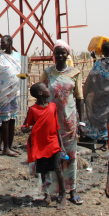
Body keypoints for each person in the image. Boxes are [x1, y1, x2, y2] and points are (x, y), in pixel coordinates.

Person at [39, 40, 84, 204]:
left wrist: (82, 122)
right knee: (50, 155)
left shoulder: (75, 73)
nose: (59, 55)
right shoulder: (47, 73)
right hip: (50, 121)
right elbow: (40, 96)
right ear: (54, 55)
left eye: (62, 52)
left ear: (67, 54)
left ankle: (72, 190)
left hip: (69, 122)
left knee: (71, 156)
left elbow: (79, 98)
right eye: (57, 52)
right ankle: (49, 191)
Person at [22, 83, 67, 209]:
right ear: (41, 93)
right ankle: (46, 195)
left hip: (53, 143)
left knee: (58, 168)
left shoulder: (53, 106)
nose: (48, 89)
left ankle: (63, 194)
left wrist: (61, 145)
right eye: (46, 88)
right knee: (43, 171)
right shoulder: (33, 110)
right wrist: (26, 129)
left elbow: (57, 126)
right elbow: (25, 126)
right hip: (40, 145)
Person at [0, 35, 22, 157]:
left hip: (14, 92)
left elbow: (19, 72)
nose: (2, 45)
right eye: (1, 43)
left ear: (10, 43)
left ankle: (11, 145)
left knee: (13, 119)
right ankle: (5, 147)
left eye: (4, 43)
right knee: (5, 120)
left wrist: (23, 77)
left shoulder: (17, 56)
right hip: (2, 93)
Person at [84, 42, 109, 146]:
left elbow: (92, 79)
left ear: (102, 52)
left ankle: (101, 137)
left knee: (99, 114)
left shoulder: (98, 64)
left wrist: (89, 91)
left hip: (100, 92)